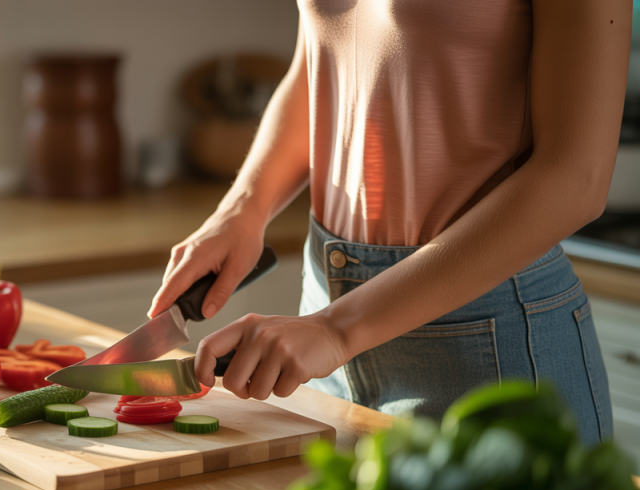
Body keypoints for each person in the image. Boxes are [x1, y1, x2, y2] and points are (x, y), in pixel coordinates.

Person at [150, 1, 630, 445]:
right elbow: (319, 63)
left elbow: (577, 179)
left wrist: (336, 329)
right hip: (324, 325)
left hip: (488, 348)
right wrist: (242, 210)